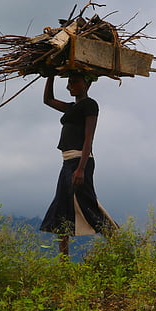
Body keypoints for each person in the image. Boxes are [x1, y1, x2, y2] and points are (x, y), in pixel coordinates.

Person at [40, 72, 117, 256]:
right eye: (69, 82)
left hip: (80, 161)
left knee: (88, 205)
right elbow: (48, 100)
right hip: (67, 162)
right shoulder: (72, 107)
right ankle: (64, 263)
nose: (70, 86)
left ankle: (117, 244)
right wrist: (49, 74)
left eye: (75, 81)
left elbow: (89, 139)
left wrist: (81, 169)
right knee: (61, 207)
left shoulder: (90, 105)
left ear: (87, 83)